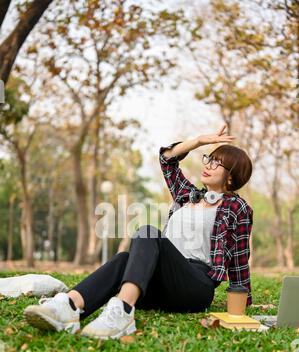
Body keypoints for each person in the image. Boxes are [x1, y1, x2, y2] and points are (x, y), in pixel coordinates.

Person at [24, 124, 253, 340]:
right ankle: (70, 307)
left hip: (195, 287)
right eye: (209, 159)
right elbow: (167, 160)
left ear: (231, 176)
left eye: (217, 163)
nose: (208, 165)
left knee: (148, 232)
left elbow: (241, 257)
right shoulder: (187, 196)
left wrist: (246, 301)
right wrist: (198, 141)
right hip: (159, 284)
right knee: (125, 258)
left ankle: (122, 311)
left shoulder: (236, 207)